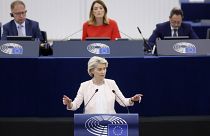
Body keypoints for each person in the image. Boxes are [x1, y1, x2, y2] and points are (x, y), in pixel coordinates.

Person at [63, 56, 143, 114]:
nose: (103, 72)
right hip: (90, 124)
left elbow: (123, 102)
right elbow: (75, 105)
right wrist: (69, 104)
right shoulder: (84, 86)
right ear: (92, 70)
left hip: (111, 122)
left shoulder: (111, 83)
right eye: (99, 69)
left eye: (104, 68)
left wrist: (132, 99)